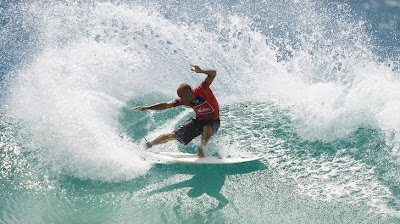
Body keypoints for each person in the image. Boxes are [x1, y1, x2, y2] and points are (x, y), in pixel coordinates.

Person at [131, 64, 220, 157]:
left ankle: (201, 148)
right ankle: (148, 145)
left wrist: (201, 71)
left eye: (182, 95)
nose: (181, 98)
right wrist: (147, 108)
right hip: (198, 120)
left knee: (207, 127)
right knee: (172, 135)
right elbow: (166, 105)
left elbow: (213, 74)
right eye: (179, 96)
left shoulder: (202, 89)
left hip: (213, 121)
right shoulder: (183, 100)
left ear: (189, 91)